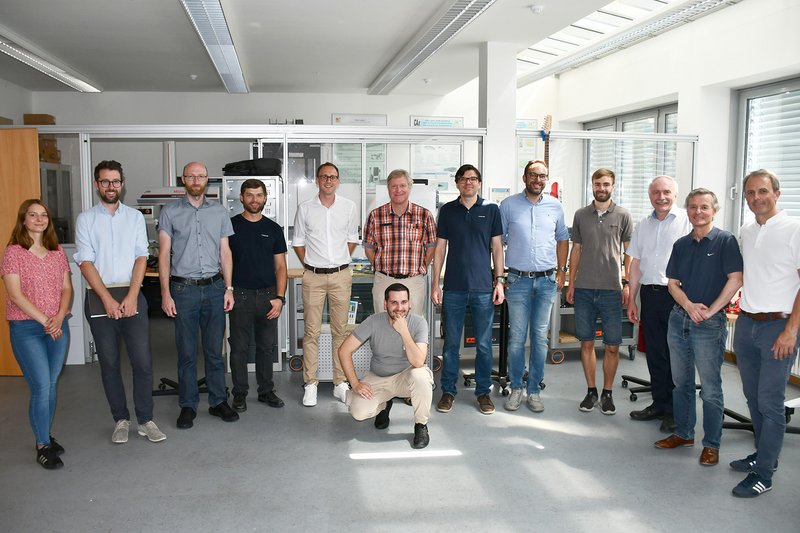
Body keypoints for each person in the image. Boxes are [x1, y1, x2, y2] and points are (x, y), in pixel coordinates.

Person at [74, 160, 166, 444]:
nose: (110, 186)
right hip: (99, 295)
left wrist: (130, 296)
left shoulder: (135, 217)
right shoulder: (86, 219)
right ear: (96, 184)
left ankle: (146, 419)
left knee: (142, 362)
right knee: (110, 363)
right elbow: (85, 262)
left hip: (131, 292)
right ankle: (121, 419)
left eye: (115, 181)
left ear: (122, 184)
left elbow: (141, 256)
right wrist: (106, 299)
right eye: (105, 181)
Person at [654, 188, 742, 467]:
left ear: (714, 211)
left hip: (710, 323)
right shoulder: (681, 244)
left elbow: (736, 279)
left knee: (711, 388)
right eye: (693, 207)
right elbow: (672, 283)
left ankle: (711, 444)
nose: (697, 212)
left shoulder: (726, 241)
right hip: (679, 319)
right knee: (681, 383)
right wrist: (689, 307)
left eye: (704, 207)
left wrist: (711, 310)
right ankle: (683, 433)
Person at [730, 170, 800, 497]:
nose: (756, 198)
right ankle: (762, 452)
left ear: (777, 193)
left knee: (770, 401)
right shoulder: (746, 230)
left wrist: (791, 330)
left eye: (762, 191)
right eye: (750, 193)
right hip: (747, 323)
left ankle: (765, 473)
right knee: (752, 396)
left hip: (778, 327)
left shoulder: (795, 228)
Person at [158, 161, 238, 429]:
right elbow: (163, 255)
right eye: (191, 176)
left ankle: (218, 402)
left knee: (215, 351)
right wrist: (165, 293)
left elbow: (225, 252)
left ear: (207, 180)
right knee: (187, 352)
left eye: (201, 176)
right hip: (183, 290)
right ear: (183, 180)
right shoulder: (169, 212)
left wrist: (229, 288)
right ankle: (188, 405)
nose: (196, 180)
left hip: (215, 289)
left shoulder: (219, 212)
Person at [1, 200, 72, 469]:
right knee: (41, 386)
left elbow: (67, 289)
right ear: (24, 219)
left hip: (57, 326)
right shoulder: (13, 252)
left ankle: (46, 435)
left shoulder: (56, 252)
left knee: (51, 384)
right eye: (33, 215)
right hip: (27, 328)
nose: (39, 219)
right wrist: (46, 321)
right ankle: (42, 445)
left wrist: (59, 316)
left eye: (44, 215)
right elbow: (15, 295)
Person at [432, 164, 505, 415]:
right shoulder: (448, 211)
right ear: (457, 183)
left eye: (473, 179)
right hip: (453, 288)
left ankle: (483, 392)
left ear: (480, 183)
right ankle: (448, 392)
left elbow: (497, 249)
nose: (468, 183)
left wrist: (500, 282)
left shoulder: (491, 210)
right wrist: (436, 284)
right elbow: (440, 249)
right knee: (451, 344)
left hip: (484, 288)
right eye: (463, 179)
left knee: (484, 345)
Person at [499, 160, 568, 412]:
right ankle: (516, 387)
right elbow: (498, 242)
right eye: (533, 175)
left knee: (540, 338)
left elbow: (563, 239)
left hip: (547, 281)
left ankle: (534, 389)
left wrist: (562, 271)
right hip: (517, 280)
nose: (538, 180)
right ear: (524, 177)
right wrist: (499, 275)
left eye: (543, 176)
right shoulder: (507, 206)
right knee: (517, 338)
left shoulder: (555, 206)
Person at [626, 176, 692, 432]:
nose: (661, 197)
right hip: (650, 296)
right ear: (650, 195)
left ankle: (676, 412)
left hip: (676, 296)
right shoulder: (644, 224)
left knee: (676, 356)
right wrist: (632, 298)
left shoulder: (687, 221)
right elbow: (636, 265)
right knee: (655, 353)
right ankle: (660, 404)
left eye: (666, 192)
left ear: (675, 195)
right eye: (656, 192)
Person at [566, 168, 632, 415]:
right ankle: (591, 390)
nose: (601, 188)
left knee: (613, 345)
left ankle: (608, 393)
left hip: (612, 290)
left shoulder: (623, 215)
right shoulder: (581, 215)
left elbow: (630, 254)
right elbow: (576, 250)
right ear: (591, 185)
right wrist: (571, 283)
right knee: (587, 342)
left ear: (613, 186)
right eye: (597, 184)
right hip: (583, 289)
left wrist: (627, 284)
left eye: (606, 184)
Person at [293, 162, 359, 407]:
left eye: (332, 177)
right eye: (324, 177)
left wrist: (337, 261)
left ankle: (339, 383)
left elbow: (352, 240)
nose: (328, 181)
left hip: (341, 275)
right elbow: (298, 242)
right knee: (311, 332)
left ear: (338, 181)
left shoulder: (349, 207)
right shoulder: (305, 208)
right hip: (313, 277)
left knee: (340, 332)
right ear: (317, 181)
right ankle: (310, 384)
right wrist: (314, 263)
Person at [339, 283, 434, 448]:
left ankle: (421, 425)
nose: (399, 308)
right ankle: (384, 404)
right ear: (385, 304)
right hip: (379, 378)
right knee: (359, 413)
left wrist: (404, 331)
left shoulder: (419, 323)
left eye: (404, 302)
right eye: (394, 303)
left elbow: (418, 361)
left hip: (407, 377)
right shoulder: (373, 321)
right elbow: (343, 351)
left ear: (410, 303)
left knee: (421, 375)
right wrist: (355, 383)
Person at [228, 179, 287, 412]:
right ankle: (239, 393)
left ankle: (266, 391)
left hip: (268, 298)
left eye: (259, 195)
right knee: (239, 348)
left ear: (265, 198)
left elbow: (281, 267)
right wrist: (229, 291)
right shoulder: (230, 226)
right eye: (249, 195)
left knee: (266, 348)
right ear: (241, 197)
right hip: (239, 296)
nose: (254, 199)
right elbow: (225, 261)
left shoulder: (273, 229)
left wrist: (280, 298)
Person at [363, 169, 437, 316]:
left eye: (402, 186)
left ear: (409, 188)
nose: (398, 190)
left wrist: (420, 266)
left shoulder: (424, 215)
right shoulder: (375, 215)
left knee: (411, 327)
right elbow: (369, 248)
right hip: (384, 280)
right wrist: (380, 267)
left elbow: (431, 247)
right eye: (394, 186)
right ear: (388, 189)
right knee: (383, 326)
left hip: (413, 281)